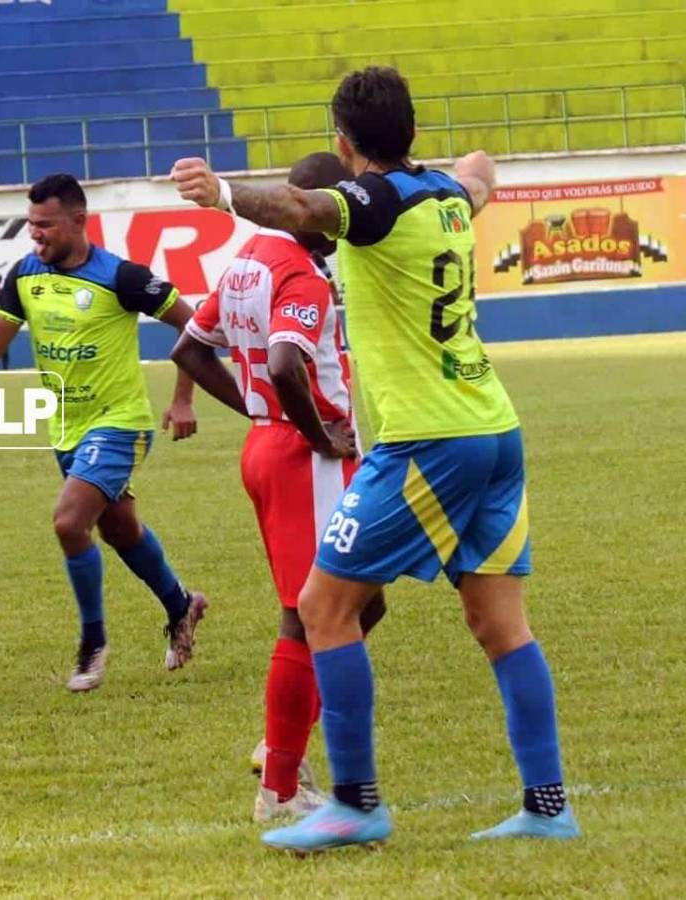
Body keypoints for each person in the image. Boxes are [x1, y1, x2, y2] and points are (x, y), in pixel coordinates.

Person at [172, 65, 579, 849]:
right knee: (500, 624)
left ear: (342, 143)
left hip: (427, 440)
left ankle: (355, 805)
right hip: (494, 427)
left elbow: (297, 205)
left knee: (323, 609)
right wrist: (454, 170)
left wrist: (221, 193)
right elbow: (481, 169)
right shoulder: (448, 196)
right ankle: (547, 805)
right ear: (412, 133)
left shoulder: (372, 207)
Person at [0, 172, 205, 693]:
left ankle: (93, 643)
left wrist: (181, 399)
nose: (35, 234)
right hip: (65, 429)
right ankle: (182, 605)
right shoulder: (25, 274)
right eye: (30, 224)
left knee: (69, 523)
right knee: (119, 530)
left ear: (78, 221)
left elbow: (195, 323)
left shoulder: (122, 277)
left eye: (45, 225)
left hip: (119, 423)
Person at [172, 151, 386, 824]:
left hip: (270, 445)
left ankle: (280, 747)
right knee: (312, 612)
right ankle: (280, 782)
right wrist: (317, 435)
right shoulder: (301, 270)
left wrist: (260, 414)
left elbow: (189, 348)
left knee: (363, 604)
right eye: (332, 213)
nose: (337, 226)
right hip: (305, 458)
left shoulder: (245, 259)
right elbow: (286, 360)